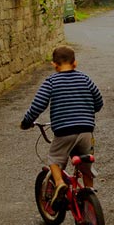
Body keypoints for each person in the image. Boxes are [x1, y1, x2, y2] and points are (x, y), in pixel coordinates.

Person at [20, 45, 103, 208]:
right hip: (86, 131)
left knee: (55, 160)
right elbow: (99, 102)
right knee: (86, 166)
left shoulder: (51, 82)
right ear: (75, 63)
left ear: (54, 65)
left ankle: (59, 183)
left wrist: (26, 122)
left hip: (64, 131)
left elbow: (38, 105)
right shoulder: (85, 79)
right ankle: (89, 196)